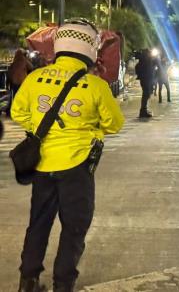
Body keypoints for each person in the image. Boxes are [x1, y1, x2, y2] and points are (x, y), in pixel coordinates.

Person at [11, 19, 124, 292]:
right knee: (74, 228)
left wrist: (39, 127)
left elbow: (18, 112)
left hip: (43, 165)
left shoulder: (36, 78)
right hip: (77, 167)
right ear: (89, 49)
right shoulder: (95, 85)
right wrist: (89, 128)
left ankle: (28, 280)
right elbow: (115, 124)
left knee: (38, 223)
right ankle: (63, 284)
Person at [7, 49, 33, 116]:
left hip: (14, 82)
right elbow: (31, 67)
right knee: (23, 96)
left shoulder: (14, 63)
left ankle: (10, 111)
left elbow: (9, 73)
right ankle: (21, 110)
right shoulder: (24, 61)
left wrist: (8, 82)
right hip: (22, 81)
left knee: (14, 96)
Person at [135, 49, 155, 118]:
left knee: (146, 95)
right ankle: (143, 111)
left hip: (146, 80)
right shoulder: (145, 61)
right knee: (146, 95)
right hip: (146, 80)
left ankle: (144, 110)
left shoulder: (146, 60)